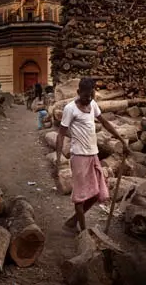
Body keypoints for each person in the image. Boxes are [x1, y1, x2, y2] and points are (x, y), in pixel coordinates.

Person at [56, 78, 130, 232]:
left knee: (96, 193)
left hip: (93, 155)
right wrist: (58, 157)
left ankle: (73, 221)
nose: (88, 99)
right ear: (78, 93)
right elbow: (61, 134)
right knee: (80, 196)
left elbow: (105, 122)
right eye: (85, 96)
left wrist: (121, 139)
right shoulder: (70, 109)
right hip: (79, 157)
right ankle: (83, 231)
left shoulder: (93, 104)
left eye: (91, 96)